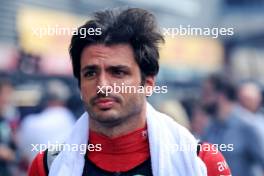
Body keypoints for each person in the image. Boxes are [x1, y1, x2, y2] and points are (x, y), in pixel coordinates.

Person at [28, 8, 206, 176]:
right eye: (90, 73)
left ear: (149, 83)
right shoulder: (48, 165)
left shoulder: (199, 161)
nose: (103, 86)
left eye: (118, 72)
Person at [201, 74, 264, 176]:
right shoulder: (210, 127)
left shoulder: (248, 126)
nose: (203, 97)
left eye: (207, 93)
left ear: (221, 95)